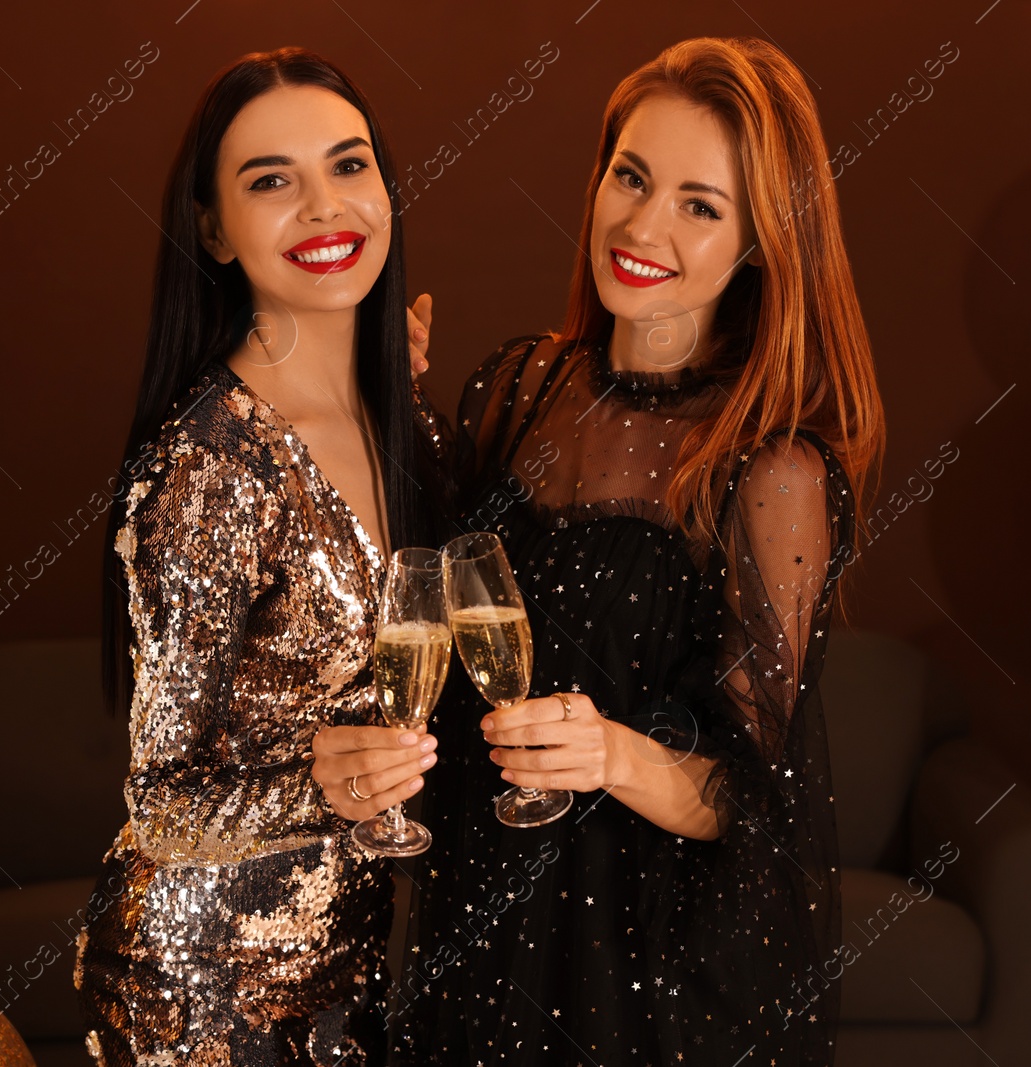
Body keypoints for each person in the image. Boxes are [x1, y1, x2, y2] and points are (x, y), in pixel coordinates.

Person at [394, 37, 886, 1066]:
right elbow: (416, 605)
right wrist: (382, 406)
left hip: (639, 965)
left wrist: (612, 750)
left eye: (699, 205)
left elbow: (750, 800)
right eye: (630, 176)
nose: (642, 224)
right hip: (479, 920)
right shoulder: (518, 389)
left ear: (756, 244)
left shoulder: (773, 471)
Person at [75, 47, 444, 1066]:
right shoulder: (208, 468)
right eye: (271, 181)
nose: (325, 207)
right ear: (213, 231)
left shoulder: (402, 418)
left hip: (354, 963)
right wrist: (318, 784)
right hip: (204, 989)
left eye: (349, 165)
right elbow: (161, 799)